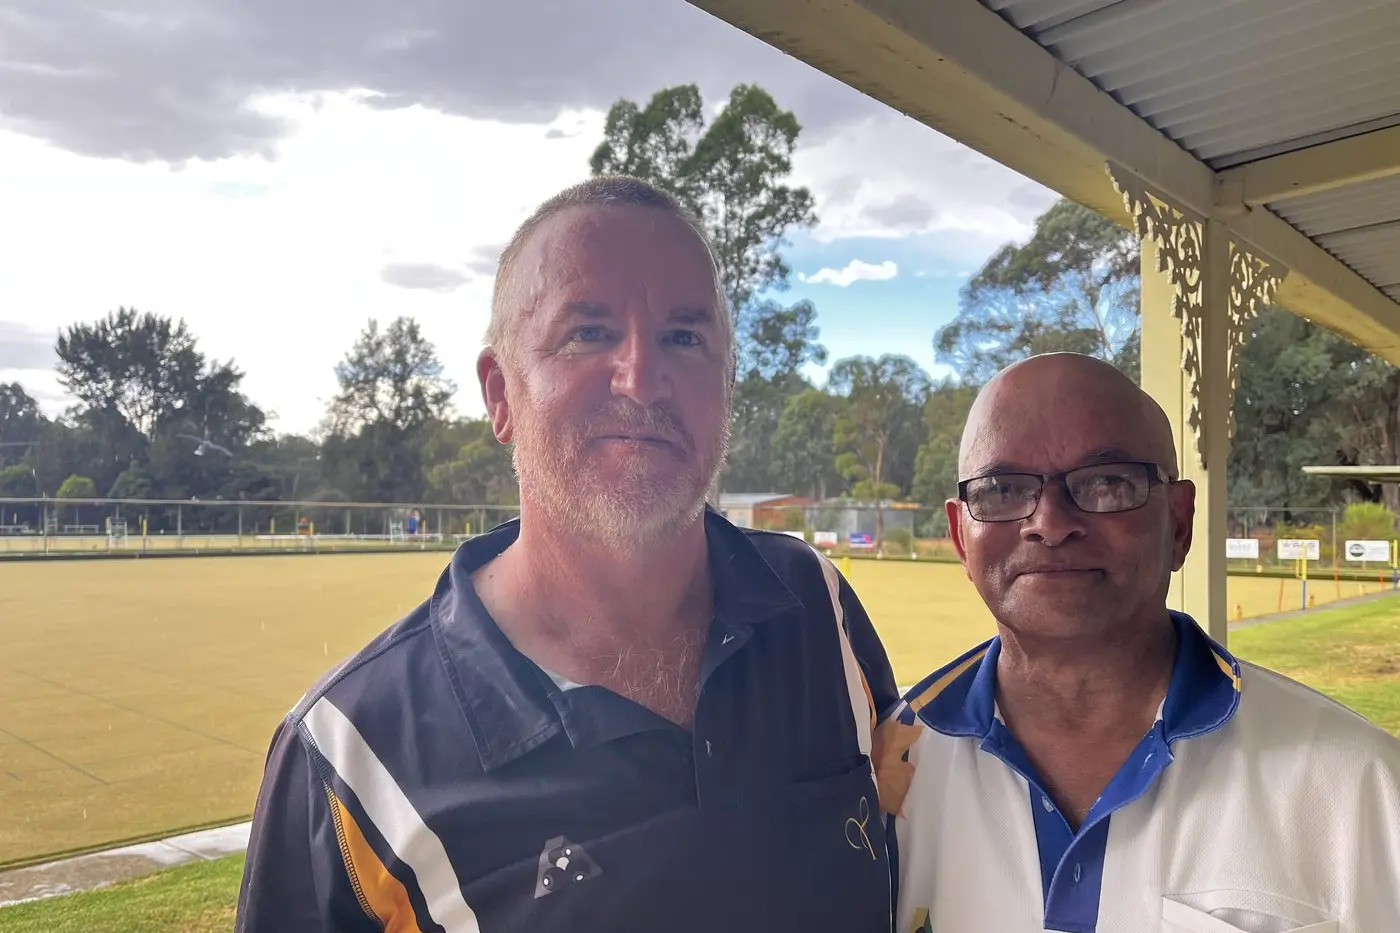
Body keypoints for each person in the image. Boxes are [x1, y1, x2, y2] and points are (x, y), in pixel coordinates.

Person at [235, 176, 901, 933]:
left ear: (725, 383)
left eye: (685, 336)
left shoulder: (819, 607)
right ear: (499, 394)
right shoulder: (347, 757)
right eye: (588, 332)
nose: (643, 378)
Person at [887, 352, 1400, 933]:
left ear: (1179, 523)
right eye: (1002, 489)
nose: (1050, 523)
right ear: (961, 534)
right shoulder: (883, 771)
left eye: (1107, 483)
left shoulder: (1360, 787)